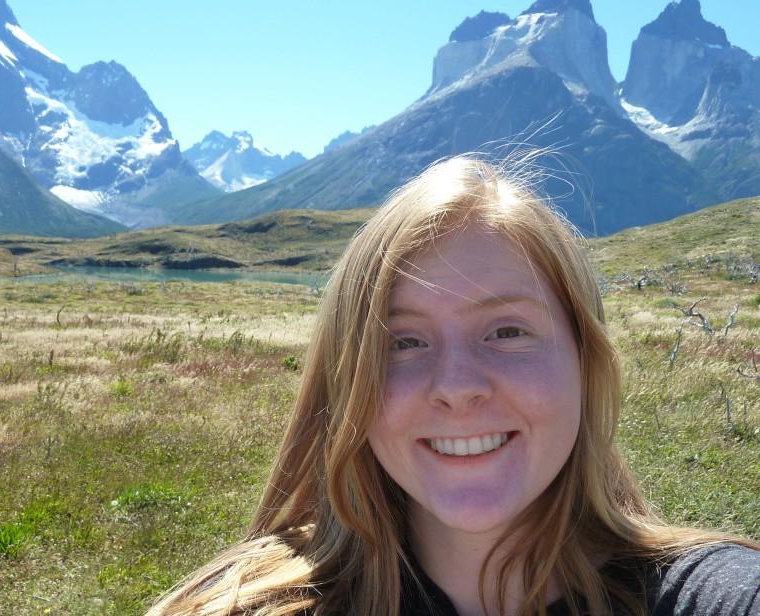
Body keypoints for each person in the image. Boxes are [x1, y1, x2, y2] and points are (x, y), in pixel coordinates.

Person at [149, 156, 760, 616]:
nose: (457, 387)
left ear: (586, 360)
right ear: (348, 382)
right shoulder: (241, 605)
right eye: (403, 342)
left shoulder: (712, 595)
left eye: (507, 330)